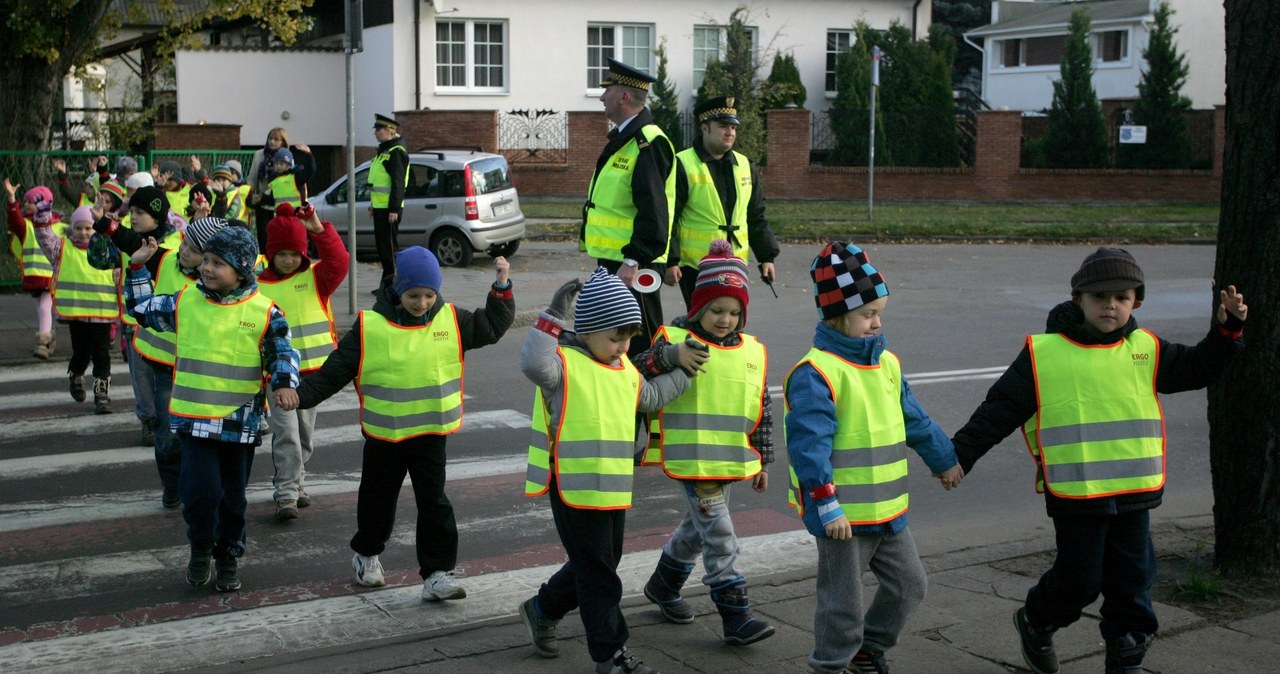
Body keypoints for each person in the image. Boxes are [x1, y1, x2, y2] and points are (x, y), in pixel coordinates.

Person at [949, 247, 1248, 674]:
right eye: (1099, 297)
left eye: (1122, 297)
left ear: (1136, 302)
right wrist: (960, 456)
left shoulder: (1146, 349)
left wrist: (1227, 331)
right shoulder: (1044, 354)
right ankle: (1037, 620)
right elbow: (999, 410)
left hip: (1133, 494)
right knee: (1079, 582)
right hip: (1078, 496)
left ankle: (1126, 658)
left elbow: (1198, 368)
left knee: (1133, 583)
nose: (1111, 305)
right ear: (1078, 300)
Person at [288, 246, 514, 599]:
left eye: (429, 295)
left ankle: (437, 573)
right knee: (378, 500)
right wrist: (299, 395)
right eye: (413, 295)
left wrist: (501, 287)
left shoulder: (452, 320)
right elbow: (333, 373)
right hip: (385, 437)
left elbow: (493, 327)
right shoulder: (370, 326)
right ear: (397, 291)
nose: (422, 303)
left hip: (429, 434)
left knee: (434, 503)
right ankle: (366, 555)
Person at [784, 242, 963, 674]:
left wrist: (943, 458)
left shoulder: (886, 364)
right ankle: (830, 665)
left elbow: (914, 418)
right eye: (867, 314)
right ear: (836, 315)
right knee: (842, 605)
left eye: (879, 312)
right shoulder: (816, 372)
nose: (877, 323)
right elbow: (810, 449)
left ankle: (868, 650)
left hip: (889, 512)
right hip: (842, 517)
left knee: (909, 587)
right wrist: (827, 505)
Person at [518, 267, 692, 674]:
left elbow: (647, 397)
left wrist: (685, 374)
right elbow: (532, 363)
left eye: (628, 337)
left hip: (611, 488)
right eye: (616, 337)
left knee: (598, 564)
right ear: (588, 331)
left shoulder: (623, 368)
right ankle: (610, 655)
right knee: (599, 574)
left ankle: (542, 608)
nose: (623, 346)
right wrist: (552, 316)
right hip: (573, 488)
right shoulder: (562, 366)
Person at [126, 226, 299, 593]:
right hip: (194, 422)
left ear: (241, 270)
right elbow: (141, 310)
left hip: (239, 426)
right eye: (205, 259)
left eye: (217, 263)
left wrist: (283, 383)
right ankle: (201, 546)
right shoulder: (185, 301)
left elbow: (282, 350)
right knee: (200, 492)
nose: (206, 268)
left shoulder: (264, 311)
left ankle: (227, 555)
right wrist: (138, 271)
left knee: (232, 499)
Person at [641, 239, 776, 646]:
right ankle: (736, 615)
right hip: (692, 458)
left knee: (698, 530)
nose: (725, 319)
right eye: (716, 310)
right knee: (720, 534)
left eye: (734, 312)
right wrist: (669, 357)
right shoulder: (677, 340)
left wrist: (762, 461)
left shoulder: (750, 352)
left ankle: (663, 586)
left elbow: (760, 409)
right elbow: (638, 369)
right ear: (699, 307)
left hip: (728, 458)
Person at [88, 186, 189, 506]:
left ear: (157, 216)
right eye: (131, 212)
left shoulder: (176, 246)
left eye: (140, 213)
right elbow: (100, 257)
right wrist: (103, 228)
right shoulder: (133, 238)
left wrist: (107, 224)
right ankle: (172, 485)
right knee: (164, 429)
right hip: (152, 348)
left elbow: (143, 250)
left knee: (190, 430)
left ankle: (191, 482)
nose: (133, 217)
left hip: (192, 356)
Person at [256, 203, 349, 522]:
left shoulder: (316, 277)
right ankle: (286, 493)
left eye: (294, 253)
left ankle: (297, 480)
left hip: (314, 375)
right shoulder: (259, 286)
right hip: (278, 376)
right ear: (271, 254)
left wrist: (318, 229)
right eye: (282, 254)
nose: (289, 260)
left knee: (305, 435)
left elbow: (340, 261)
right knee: (287, 434)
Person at [581, 58, 676, 357]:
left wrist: (633, 261)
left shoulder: (647, 142)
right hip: (618, 263)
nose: (601, 97)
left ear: (623, 96)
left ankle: (645, 402)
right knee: (618, 341)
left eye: (606, 91)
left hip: (634, 265)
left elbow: (653, 211)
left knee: (640, 342)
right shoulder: (626, 139)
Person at [663, 97, 780, 310]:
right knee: (704, 325)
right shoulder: (682, 164)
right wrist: (671, 261)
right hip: (696, 266)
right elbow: (669, 216)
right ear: (705, 128)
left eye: (733, 127)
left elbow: (756, 215)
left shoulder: (744, 165)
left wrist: (766, 257)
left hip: (735, 264)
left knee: (732, 324)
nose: (730, 132)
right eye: (723, 126)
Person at [30, 201, 121, 414]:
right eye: (78, 228)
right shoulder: (61, 248)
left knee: (101, 354)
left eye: (88, 228)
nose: (83, 232)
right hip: (76, 314)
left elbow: (118, 273)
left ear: (95, 228)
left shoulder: (107, 249)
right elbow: (44, 237)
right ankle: (77, 374)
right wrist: (43, 215)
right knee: (81, 353)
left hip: (103, 314)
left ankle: (102, 395)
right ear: (71, 229)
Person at [5, 182, 61, 359]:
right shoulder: (27, 225)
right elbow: (14, 221)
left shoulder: (58, 225)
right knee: (41, 308)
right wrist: (12, 200)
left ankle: (43, 342)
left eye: (30, 202)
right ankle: (49, 335)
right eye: (26, 202)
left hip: (49, 276)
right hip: (35, 277)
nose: (27, 205)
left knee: (44, 307)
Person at [249, 128, 315, 250]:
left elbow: (300, 179)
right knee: (265, 239)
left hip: (285, 210)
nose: (272, 142)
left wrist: (308, 154)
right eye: (270, 138)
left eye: (276, 139)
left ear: (283, 142)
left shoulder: (289, 160)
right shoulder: (259, 155)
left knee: (286, 240)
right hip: (265, 203)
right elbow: (252, 179)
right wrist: (251, 195)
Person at [369, 113, 409, 289]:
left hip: (389, 209)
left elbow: (398, 183)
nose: (376, 133)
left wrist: (394, 208)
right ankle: (387, 283)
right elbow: (379, 182)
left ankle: (393, 283)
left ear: (390, 131)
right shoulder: (385, 151)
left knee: (389, 248)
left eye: (379, 129)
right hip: (380, 207)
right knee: (383, 248)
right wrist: (373, 205)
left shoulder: (396, 153)